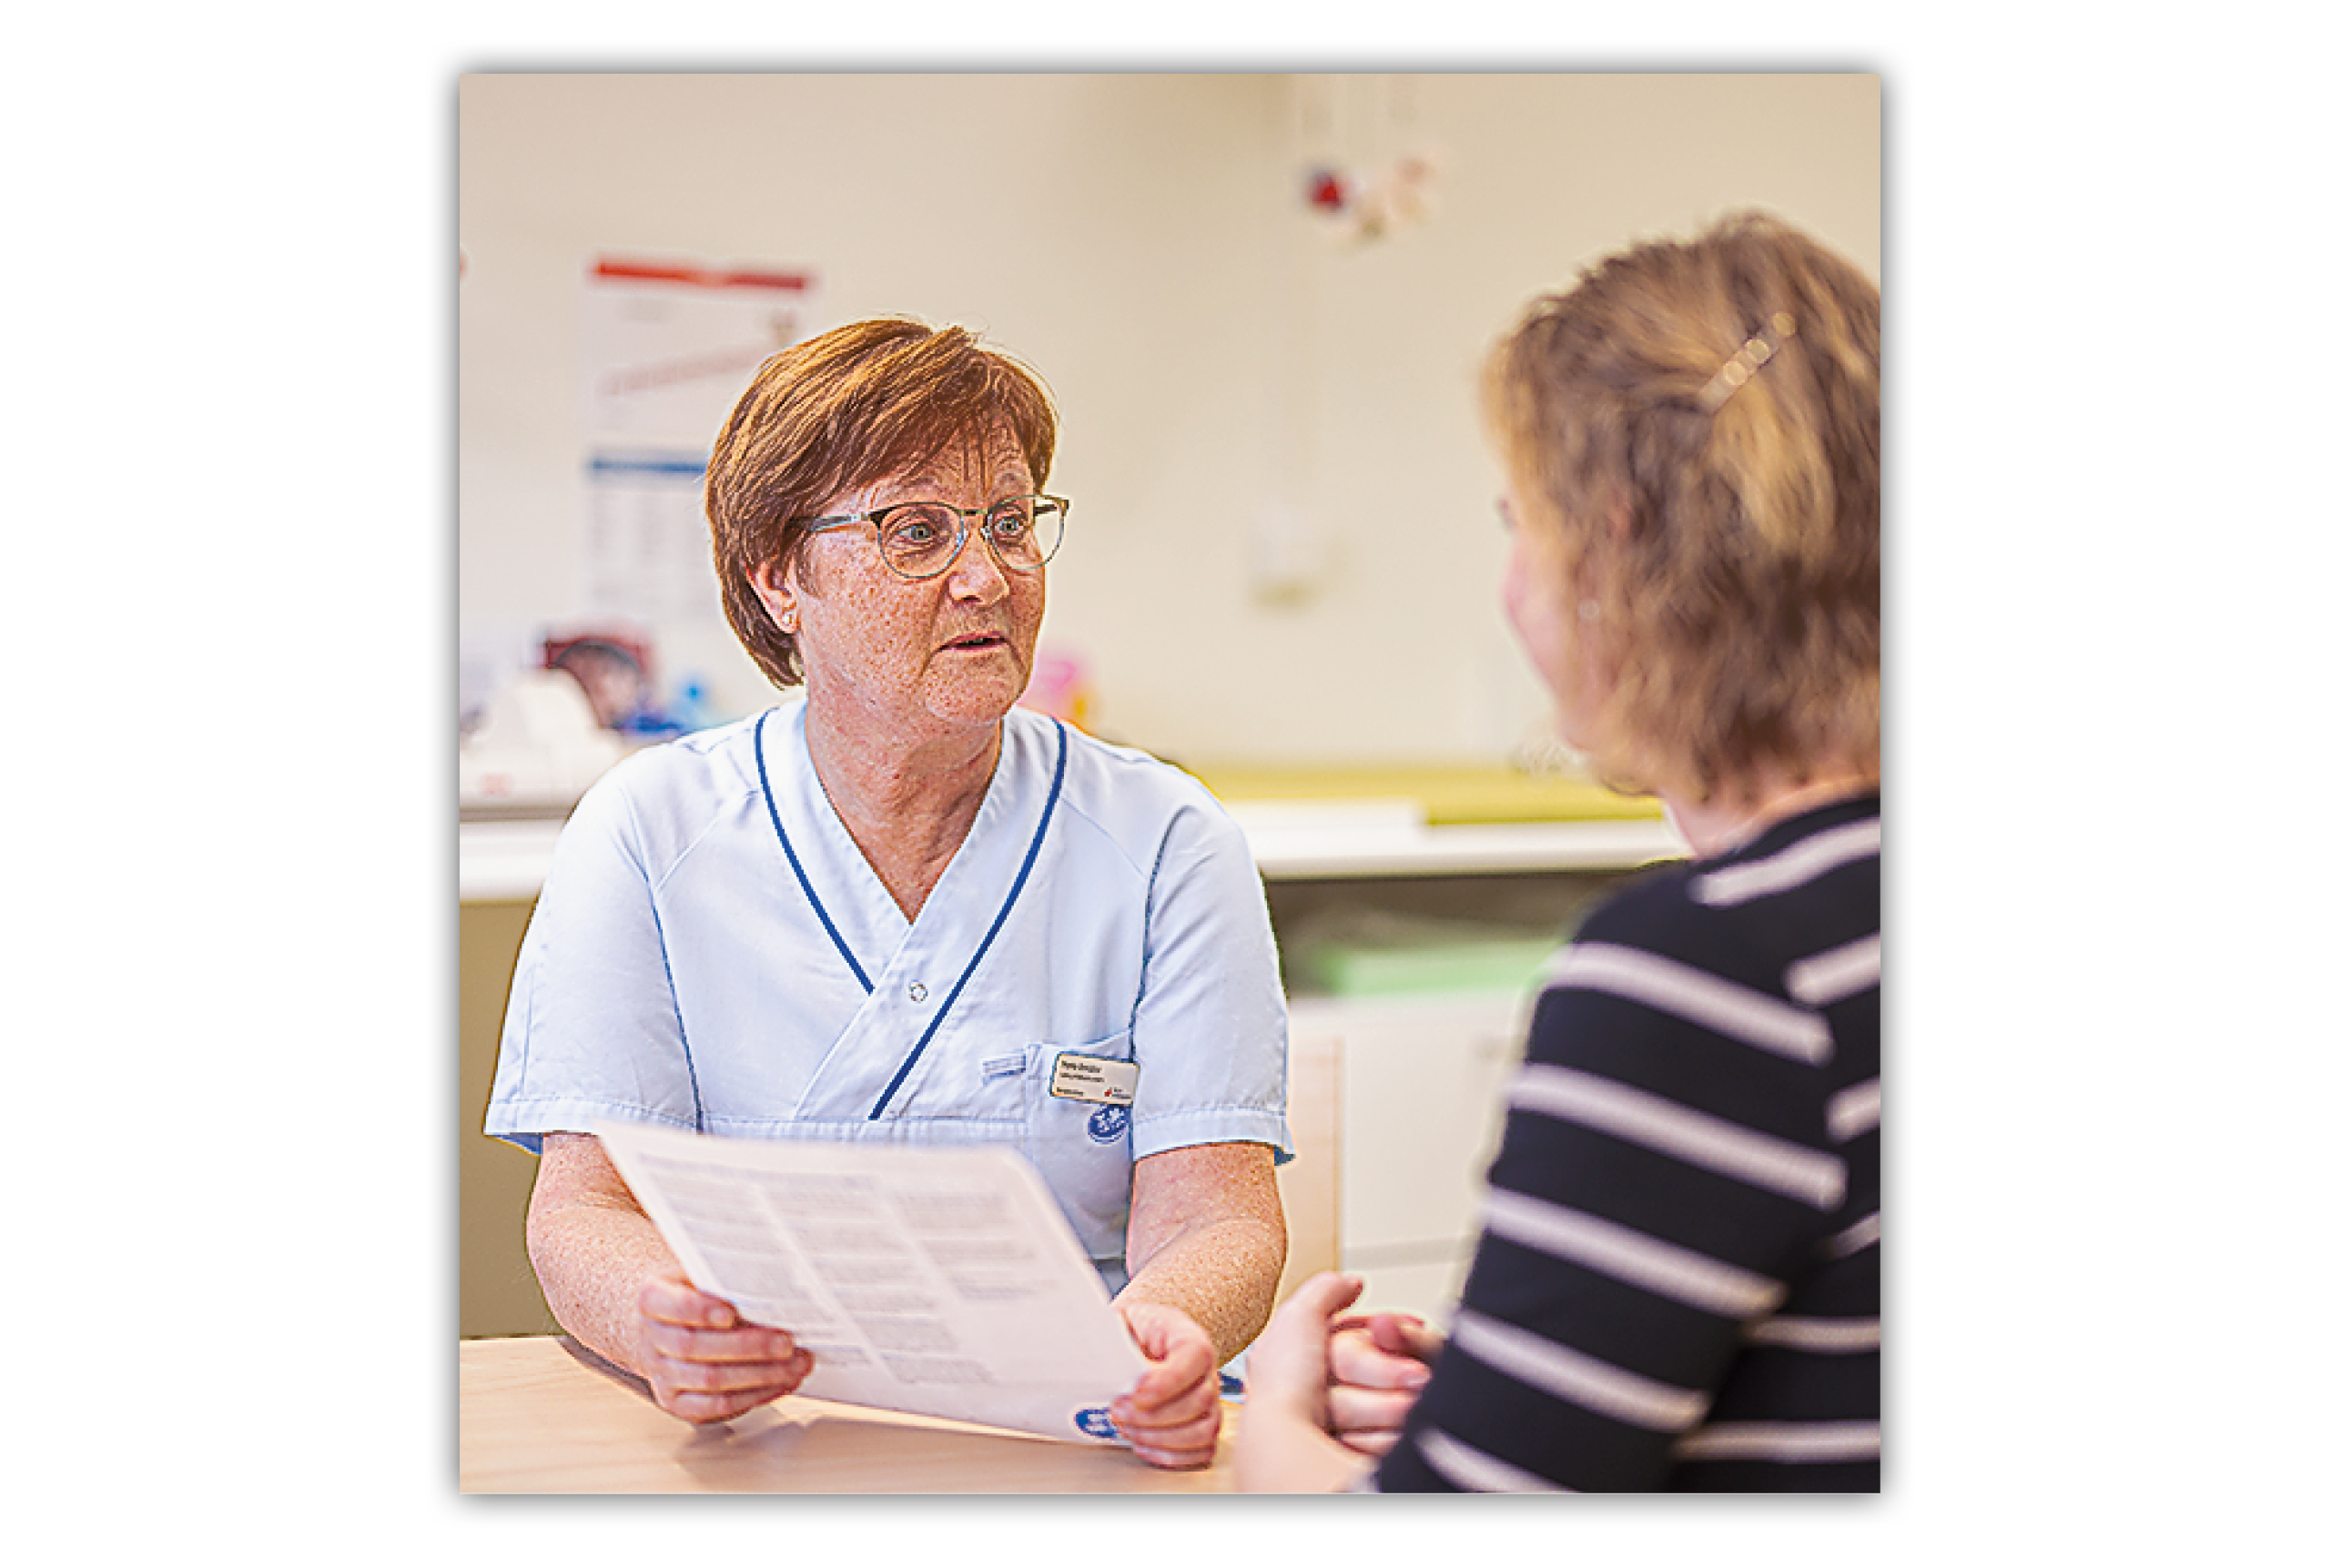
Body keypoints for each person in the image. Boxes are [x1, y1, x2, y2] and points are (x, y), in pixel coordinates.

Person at [486, 318, 1292, 1470]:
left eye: (1010, 523)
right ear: (778, 578)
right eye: (915, 532)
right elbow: (587, 1211)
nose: (988, 574)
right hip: (768, 1439)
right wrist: (672, 1322)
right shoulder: (649, 831)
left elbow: (1217, 1216)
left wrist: (1156, 1344)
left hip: (1084, 1439)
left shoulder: (1165, 840)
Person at [1238, 211, 1881, 1492]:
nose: (1509, 582)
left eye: (1515, 520)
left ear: (1616, 550)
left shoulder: (1708, 975)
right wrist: (1511, 1389)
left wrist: (1276, 1438)